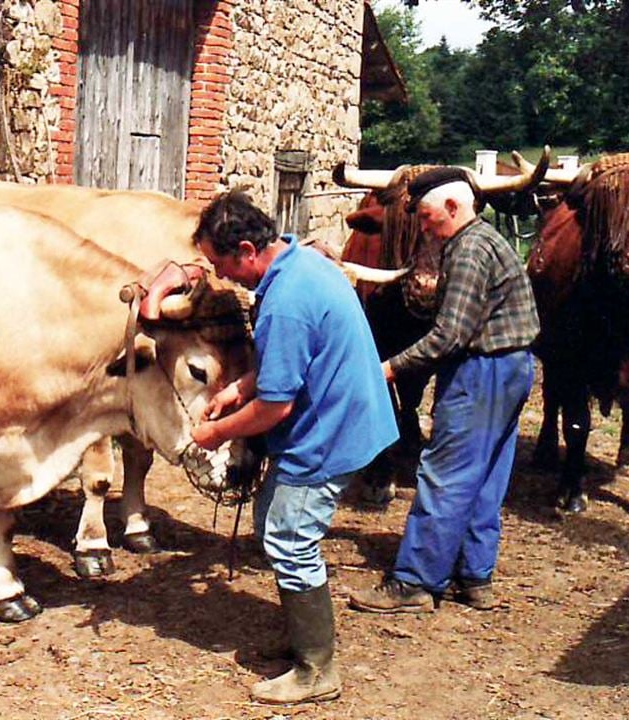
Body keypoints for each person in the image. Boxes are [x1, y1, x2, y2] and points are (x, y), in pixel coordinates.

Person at [191, 189, 398, 705]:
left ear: (245, 249)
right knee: (274, 520)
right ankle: (302, 636)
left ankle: (316, 669)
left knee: (290, 537)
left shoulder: (284, 301)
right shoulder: (302, 263)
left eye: (221, 265)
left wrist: (217, 433)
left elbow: (276, 409)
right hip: (342, 412)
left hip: (328, 431)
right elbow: (291, 363)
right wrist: (242, 387)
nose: (222, 277)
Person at [348, 166, 539, 615]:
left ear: (454, 207)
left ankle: (415, 581)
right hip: (512, 367)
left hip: (480, 371)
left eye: (429, 216)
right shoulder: (488, 240)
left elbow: (449, 335)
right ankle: (474, 575)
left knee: (444, 474)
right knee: (487, 474)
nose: (424, 226)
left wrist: (388, 370)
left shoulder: (468, 251)